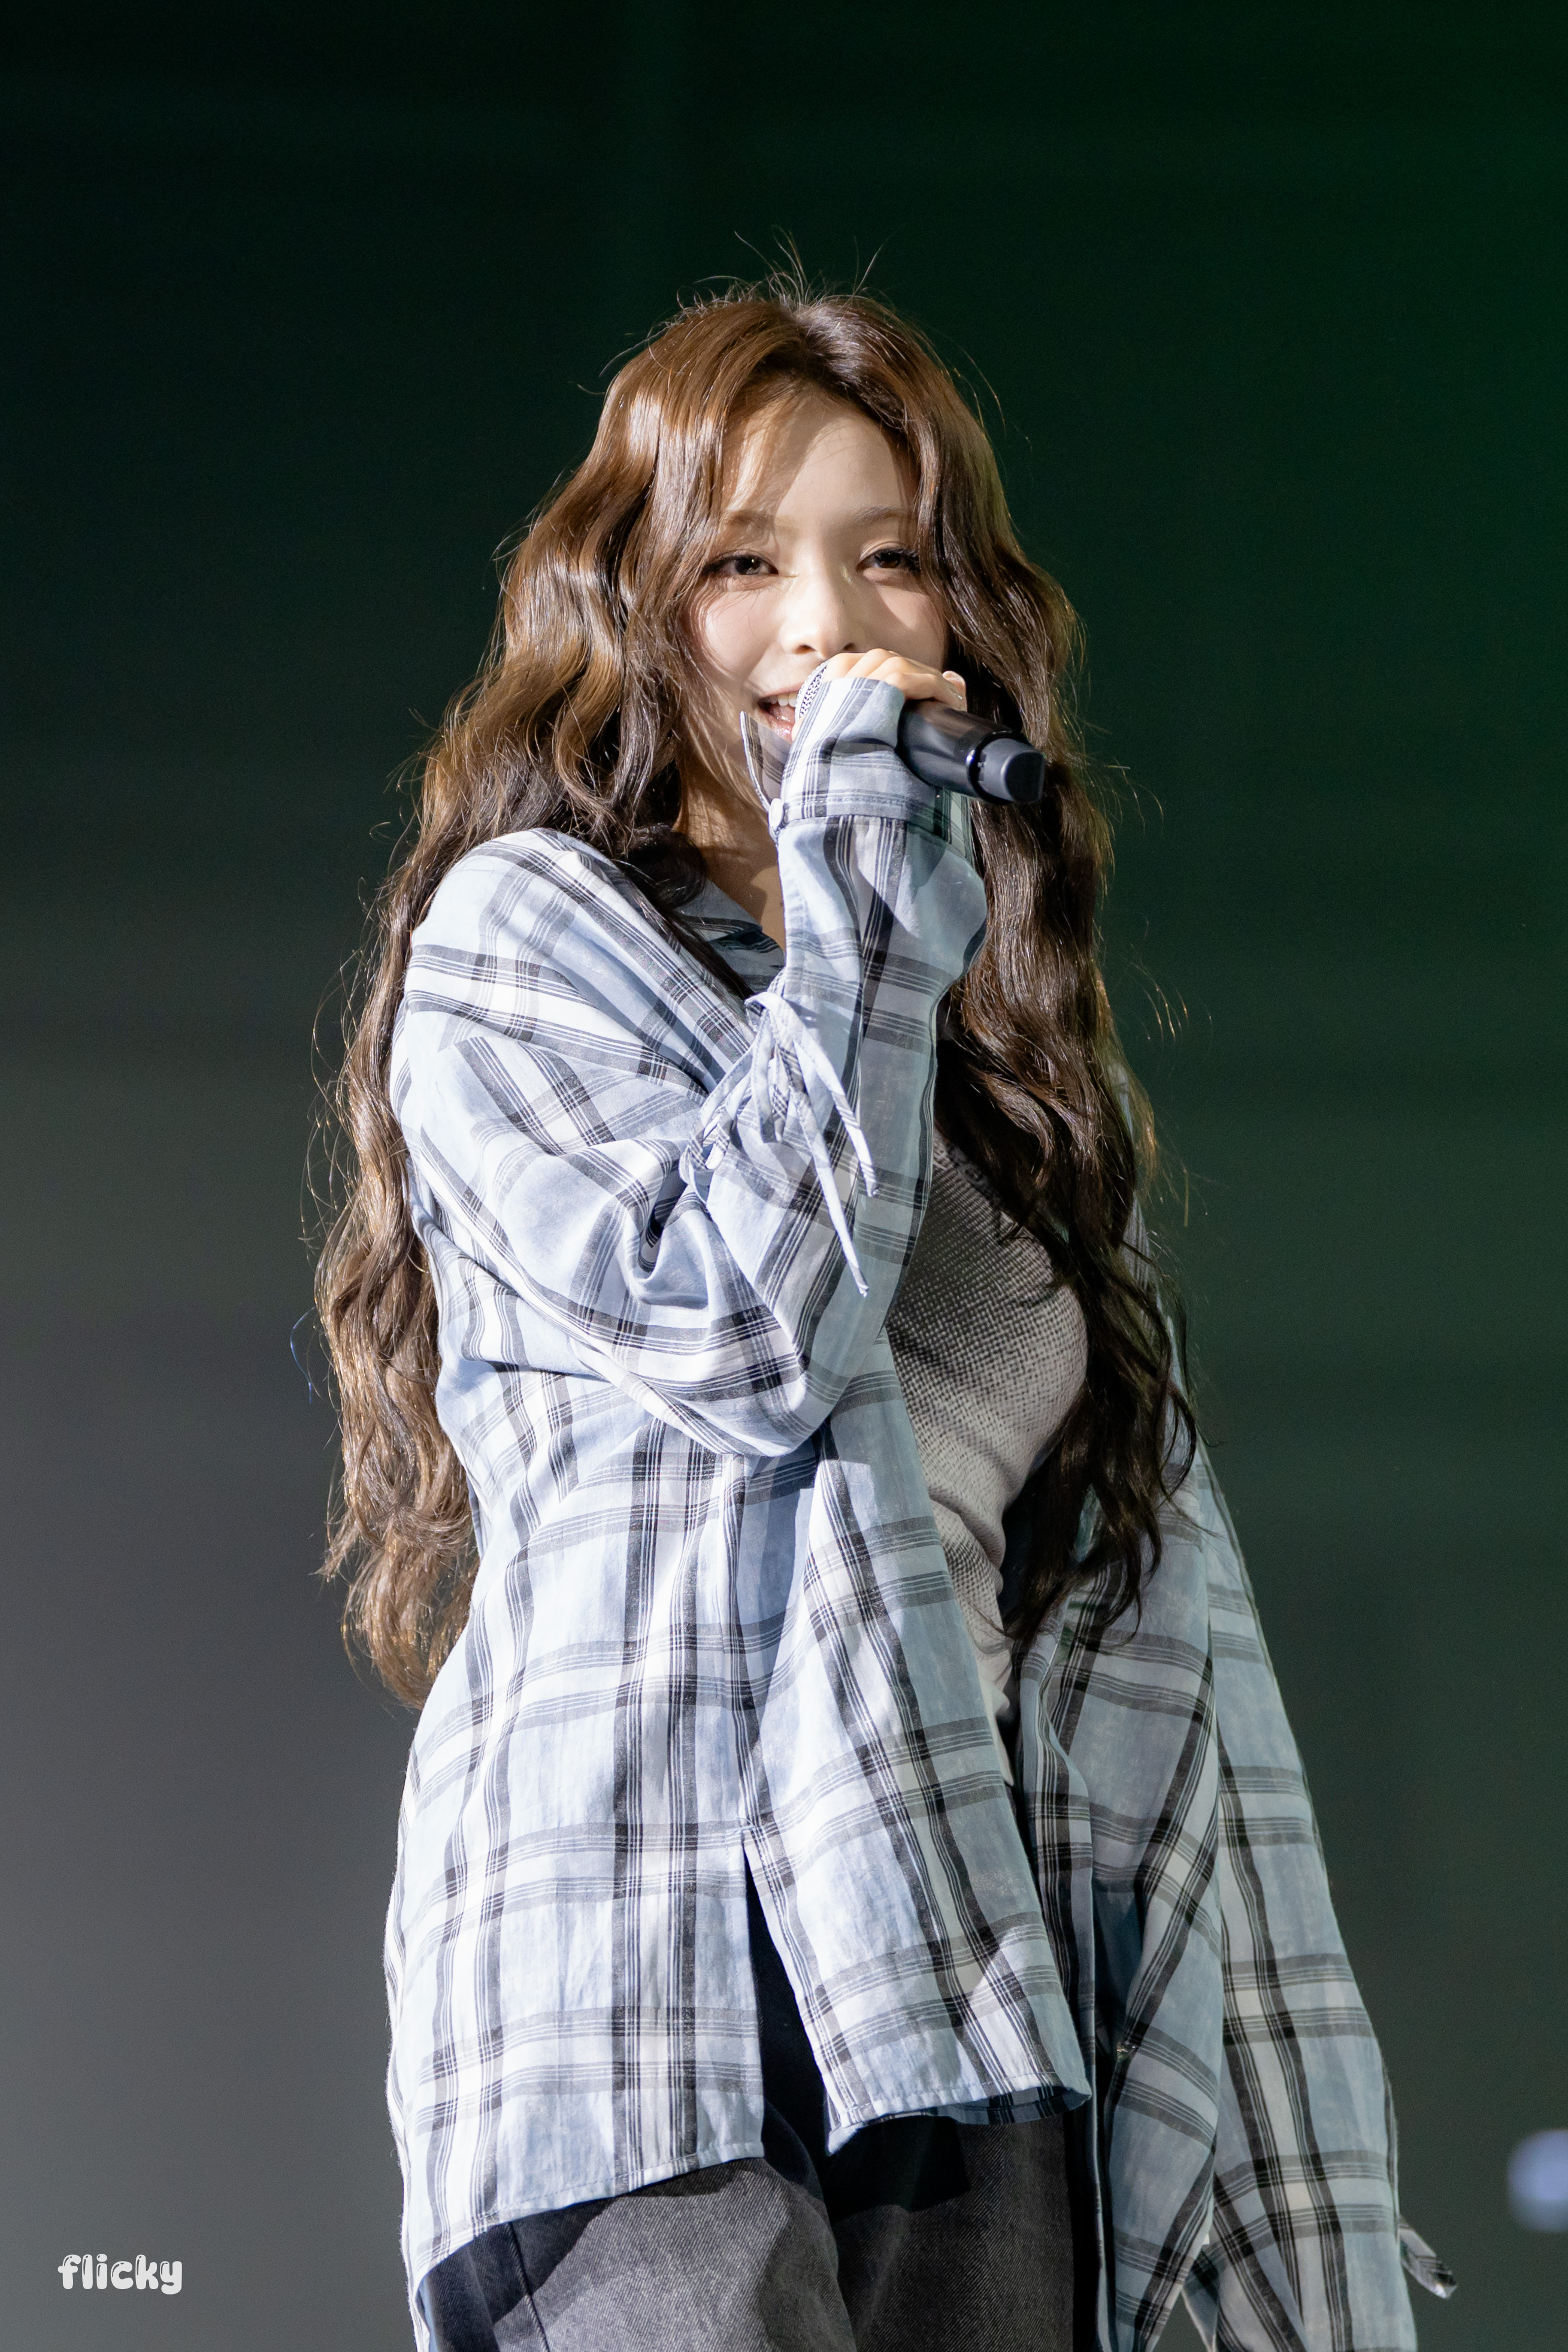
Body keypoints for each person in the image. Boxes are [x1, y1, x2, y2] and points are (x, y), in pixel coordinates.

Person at [316, 279, 1452, 2351]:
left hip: (955, 1984)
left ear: (960, 620)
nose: (824, 626)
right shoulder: (527, 940)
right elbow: (752, 1332)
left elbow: (1146, 1647)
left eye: (889, 560)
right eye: (742, 565)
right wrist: (855, 855)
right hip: (646, 1990)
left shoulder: (994, 1074)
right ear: (637, 605)